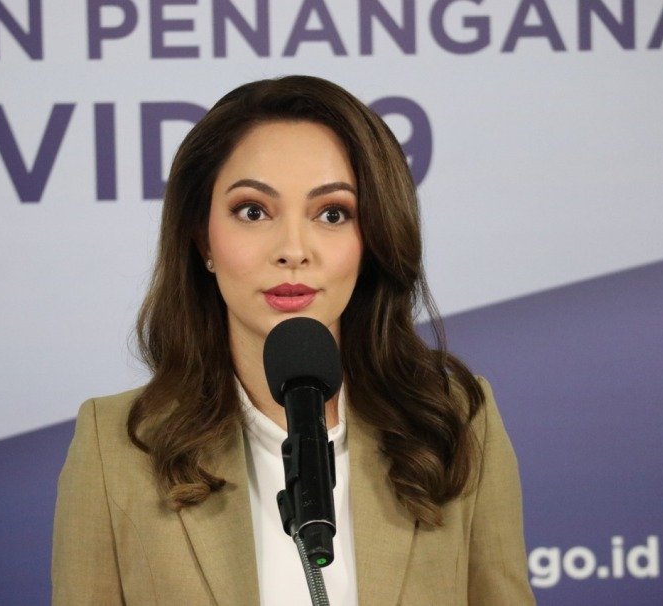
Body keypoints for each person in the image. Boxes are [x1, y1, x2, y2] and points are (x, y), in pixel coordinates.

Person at [52, 75, 535, 605]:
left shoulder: (457, 422)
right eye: (253, 211)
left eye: (332, 214)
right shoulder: (114, 447)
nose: (293, 250)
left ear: (373, 238)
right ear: (202, 238)